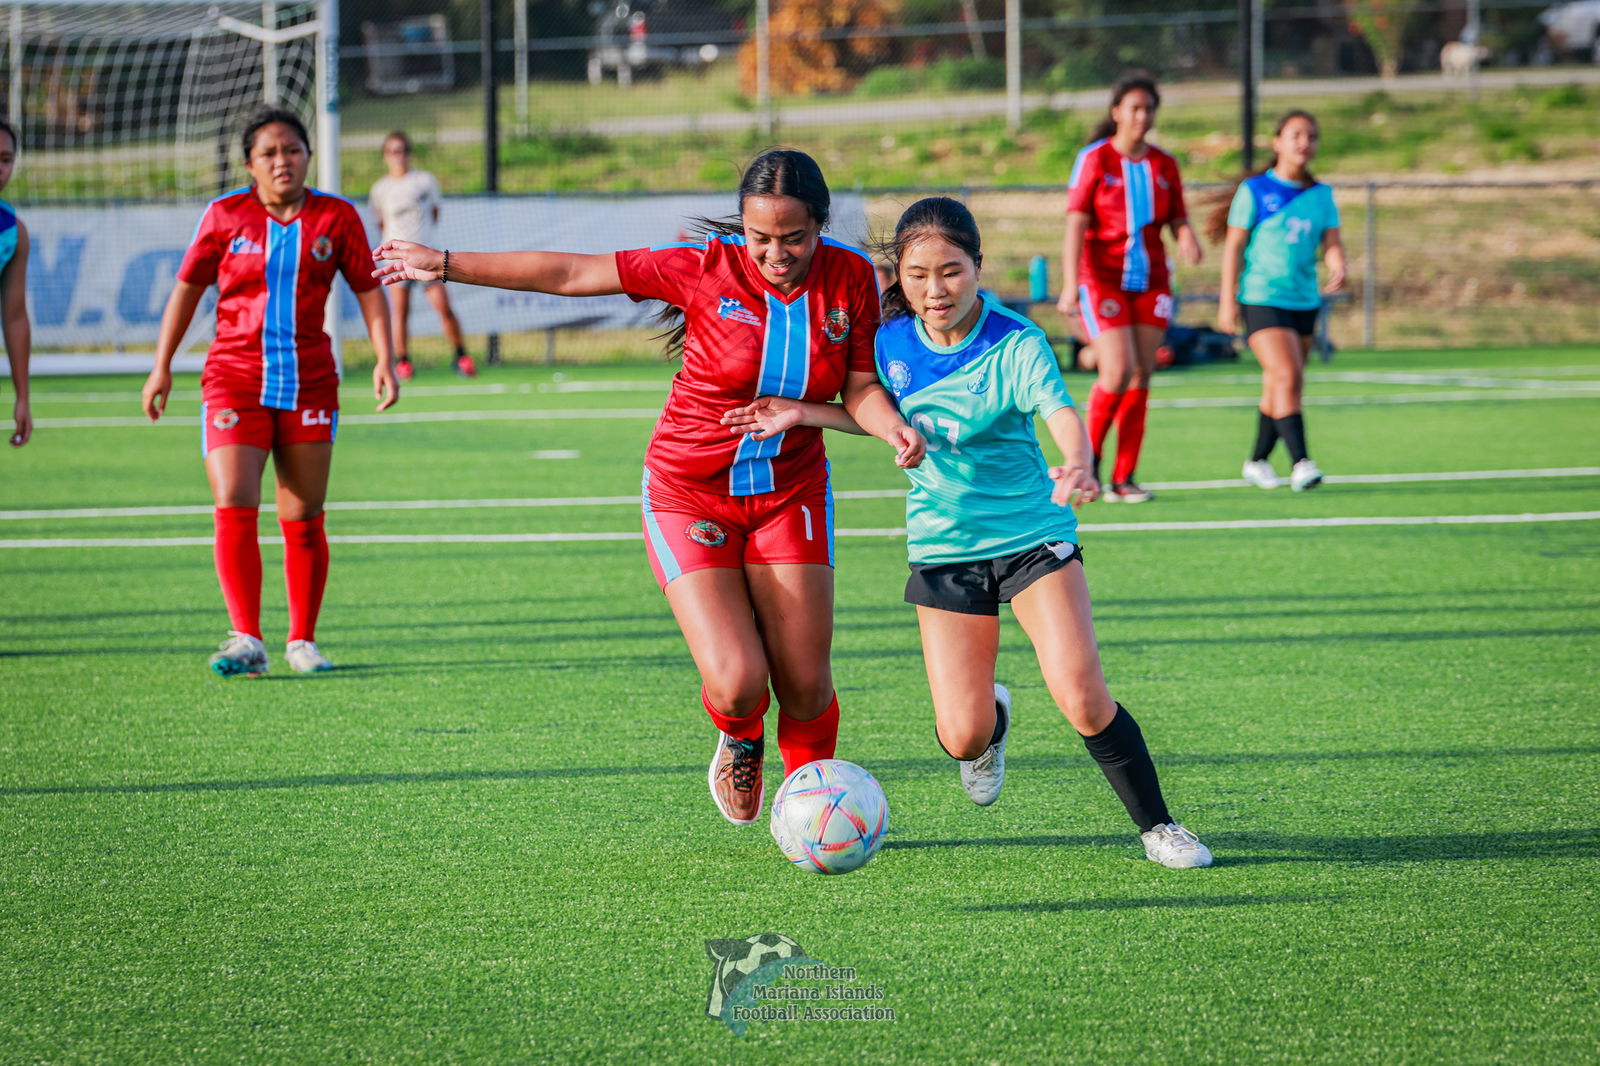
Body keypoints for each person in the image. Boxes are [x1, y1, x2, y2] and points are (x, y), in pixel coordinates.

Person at [372, 149, 925, 827]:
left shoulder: (851, 277)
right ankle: (741, 735)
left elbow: (861, 387)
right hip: (689, 490)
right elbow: (572, 272)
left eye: (794, 238)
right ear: (741, 229)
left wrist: (891, 424)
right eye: (760, 239)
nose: (776, 254)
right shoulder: (703, 268)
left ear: (821, 225)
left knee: (807, 685)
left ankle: (813, 814)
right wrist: (449, 263)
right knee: (739, 679)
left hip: (791, 491)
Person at [724, 197, 1212, 869]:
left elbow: (1060, 411)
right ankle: (993, 726)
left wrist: (1078, 461)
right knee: (962, 735)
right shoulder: (889, 340)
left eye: (951, 272)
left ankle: (1160, 827)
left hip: (1031, 536)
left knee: (1080, 692)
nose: (934, 290)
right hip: (944, 547)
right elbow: (869, 411)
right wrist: (802, 413)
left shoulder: (1015, 340)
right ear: (899, 276)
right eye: (918, 274)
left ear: (978, 267)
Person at [141, 106, 400, 677]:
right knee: (234, 496)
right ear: (249, 164)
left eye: (293, 149)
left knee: (303, 513)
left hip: (309, 379)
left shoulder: (337, 218)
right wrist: (162, 366)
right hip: (233, 376)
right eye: (269, 153)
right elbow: (186, 292)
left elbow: (368, 291)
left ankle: (302, 641)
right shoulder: (223, 216)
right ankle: (245, 638)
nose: (283, 161)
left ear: (308, 155)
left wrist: (385, 357)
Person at [1057, 72, 1202, 503]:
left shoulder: (1164, 164)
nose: (1142, 116)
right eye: (1134, 107)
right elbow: (1076, 224)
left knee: (1142, 372)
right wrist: (1069, 283)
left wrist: (1187, 233)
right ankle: (1087, 467)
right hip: (1102, 278)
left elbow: (1177, 215)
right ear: (1116, 112)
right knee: (1116, 371)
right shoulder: (1095, 159)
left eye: (1149, 108)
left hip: (1151, 280)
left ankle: (1124, 478)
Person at [1209, 109, 1346, 492]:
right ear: (1278, 142)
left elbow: (1331, 242)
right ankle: (1301, 462)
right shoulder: (1255, 190)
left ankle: (1256, 460)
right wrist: (1227, 301)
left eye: (1312, 136)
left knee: (1282, 384)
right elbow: (1234, 246)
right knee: (1287, 376)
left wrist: (1338, 265)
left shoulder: (1321, 196)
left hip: (1304, 300)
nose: (1305, 142)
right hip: (1261, 297)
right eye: (1296, 134)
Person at [369, 131, 474, 379]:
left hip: (428, 257)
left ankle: (461, 356)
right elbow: (381, 223)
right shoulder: (380, 189)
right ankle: (403, 361)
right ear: (385, 155)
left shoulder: (425, 180)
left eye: (403, 149)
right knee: (400, 312)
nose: (399, 155)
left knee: (443, 307)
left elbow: (435, 213)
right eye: (394, 151)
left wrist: (421, 245)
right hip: (396, 260)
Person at [0, 119, 31, 448]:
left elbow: (15, 317)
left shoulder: (12, 232)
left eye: (6, 160)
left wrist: (23, 396)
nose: (0, 168)